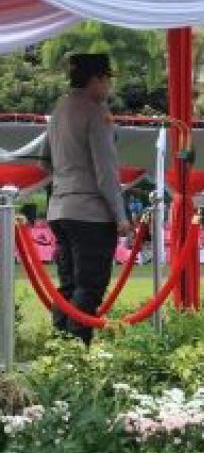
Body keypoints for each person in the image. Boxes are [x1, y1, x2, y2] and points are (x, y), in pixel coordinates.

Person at [40, 53, 130, 345]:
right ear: (96, 80)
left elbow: (45, 159)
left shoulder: (60, 107)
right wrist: (120, 215)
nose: (109, 88)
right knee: (88, 287)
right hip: (90, 211)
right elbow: (106, 171)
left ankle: (60, 349)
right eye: (106, 80)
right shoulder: (96, 111)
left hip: (60, 207)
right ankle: (77, 353)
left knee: (67, 286)